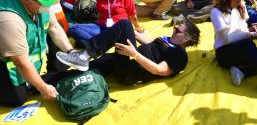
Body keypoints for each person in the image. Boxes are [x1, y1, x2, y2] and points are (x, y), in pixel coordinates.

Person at [0, 0, 76, 107]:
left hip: (19, 49)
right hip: (8, 57)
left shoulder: (39, 3)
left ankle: (35, 79)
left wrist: (71, 52)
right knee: (17, 99)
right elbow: (20, 62)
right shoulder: (9, 19)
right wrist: (42, 87)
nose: (49, 6)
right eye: (45, 3)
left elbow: (54, 28)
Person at [56, 19, 200, 85]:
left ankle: (84, 55)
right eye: (175, 27)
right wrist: (127, 31)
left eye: (178, 29)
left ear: (187, 38)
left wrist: (134, 54)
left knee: (124, 24)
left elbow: (158, 70)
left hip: (130, 72)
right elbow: (151, 43)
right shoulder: (167, 40)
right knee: (85, 70)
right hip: (125, 59)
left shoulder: (180, 56)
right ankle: (37, 85)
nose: (174, 29)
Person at [68, 0, 144, 47]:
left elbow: (132, 14)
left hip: (117, 29)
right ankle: (98, 44)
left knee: (80, 37)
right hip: (102, 27)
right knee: (73, 28)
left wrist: (137, 26)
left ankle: (92, 44)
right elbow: (98, 12)